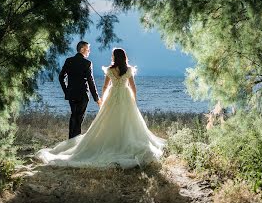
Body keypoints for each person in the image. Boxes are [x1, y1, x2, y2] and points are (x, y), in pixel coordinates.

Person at [36, 47, 165, 168]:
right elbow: (133, 87)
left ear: (115, 57)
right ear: (124, 57)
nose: (112, 57)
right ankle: (123, 142)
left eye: (113, 55)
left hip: (113, 95)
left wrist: (103, 99)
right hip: (125, 96)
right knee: (128, 121)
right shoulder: (129, 70)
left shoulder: (110, 70)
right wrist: (134, 100)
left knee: (109, 121)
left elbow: (104, 87)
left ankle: (111, 142)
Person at [58, 41, 102, 139]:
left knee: (74, 116)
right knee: (79, 119)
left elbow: (61, 77)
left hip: (72, 94)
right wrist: (97, 99)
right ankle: (75, 142)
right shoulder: (87, 63)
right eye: (88, 49)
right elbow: (91, 82)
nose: (89, 51)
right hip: (83, 95)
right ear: (82, 49)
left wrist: (67, 91)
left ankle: (71, 140)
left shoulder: (69, 60)